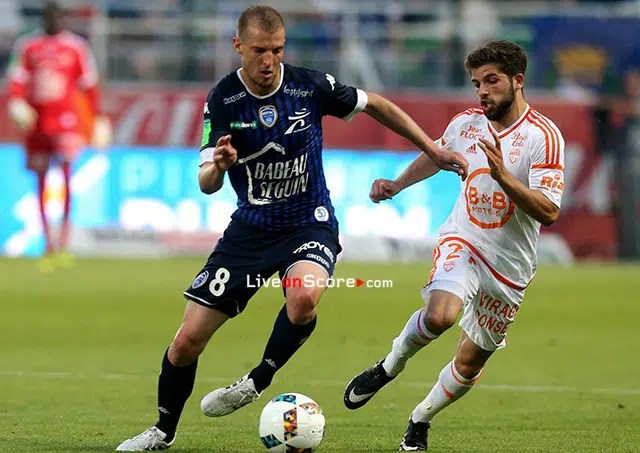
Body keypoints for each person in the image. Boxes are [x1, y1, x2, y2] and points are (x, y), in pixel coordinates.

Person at [115, 5, 468, 452]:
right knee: (186, 342)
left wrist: (433, 150)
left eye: (277, 50)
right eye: (259, 50)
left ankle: (257, 380)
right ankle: (162, 432)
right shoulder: (223, 99)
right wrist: (219, 165)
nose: (269, 60)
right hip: (250, 230)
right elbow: (206, 183)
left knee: (303, 299)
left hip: (308, 223)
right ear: (238, 46)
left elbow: (376, 105)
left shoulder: (309, 86)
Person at [343, 40, 565, 451]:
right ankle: (389, 366)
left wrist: (503, 177)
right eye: (477, 83)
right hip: (464, 239)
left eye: (492, 81)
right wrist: (397, 184)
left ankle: (420, 418)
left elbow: (548, 211)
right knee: (441, 314)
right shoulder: (467, 124)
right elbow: (438, 155)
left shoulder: (543, 136)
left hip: (510, 266)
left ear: (517, 81)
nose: (482, 91)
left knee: (469, 362)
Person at [6, 1, 110, 271]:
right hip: (37, 126)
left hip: (66, 123)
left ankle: (62, 243)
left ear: (63, 20)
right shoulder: (27, 46)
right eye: (50, 18)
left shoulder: (76, 47)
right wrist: (16, 102)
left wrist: (98, 118)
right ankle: (47, 245)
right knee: (40, 183)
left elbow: (89, 86)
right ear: (44, 20)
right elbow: (16, 80)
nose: (54, 22)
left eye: (58, 17)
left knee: (65, 180)